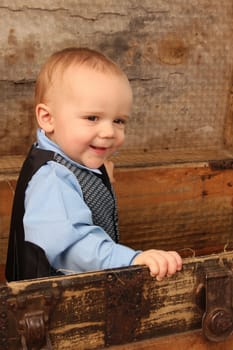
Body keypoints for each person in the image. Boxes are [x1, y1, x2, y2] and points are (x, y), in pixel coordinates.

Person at [6, 47, 182, 282]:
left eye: (119, 120)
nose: (109, 131)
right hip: (52, 302)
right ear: (48, 118)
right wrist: (130, 260)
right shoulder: (52, 180)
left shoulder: (71, 158)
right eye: (92, 118)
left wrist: (99, 176)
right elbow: (73, 246)